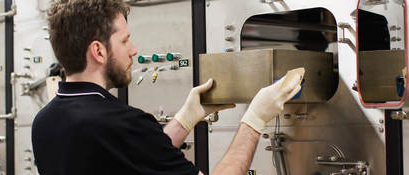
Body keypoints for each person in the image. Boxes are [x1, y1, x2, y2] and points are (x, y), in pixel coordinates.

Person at [31, 0, 304, 174]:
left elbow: (135, 155)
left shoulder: (45, 122)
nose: (134, 51)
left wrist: (186, 118)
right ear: (98, 51)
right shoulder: (120, 123)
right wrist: (255, 119)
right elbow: (133, 142)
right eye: (125, 41)